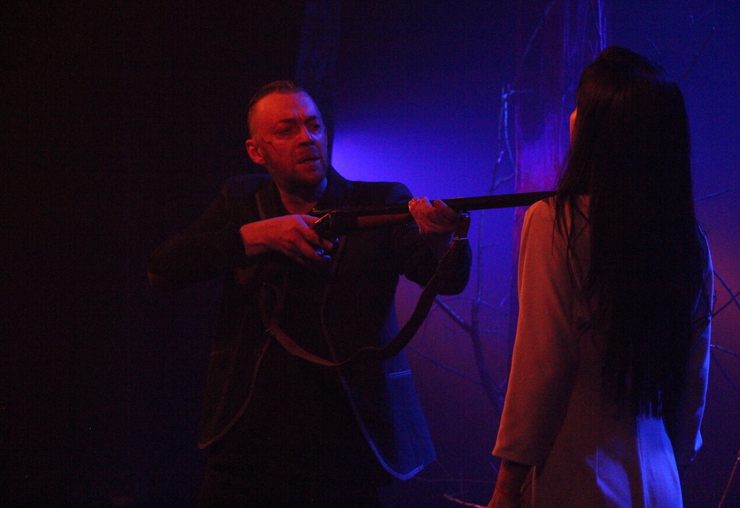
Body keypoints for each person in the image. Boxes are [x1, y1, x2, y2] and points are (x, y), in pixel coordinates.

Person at [148, 80, 471, 506]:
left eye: (314, 126)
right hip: (246, 443)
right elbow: (164, 268)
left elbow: (445, 279)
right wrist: (258, 235)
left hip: (345, 441)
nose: (306, 138)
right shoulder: (240, 201)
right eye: (287, 130)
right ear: (256, 151)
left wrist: (440, 240)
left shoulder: (379, 200)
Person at [487, 47, 713, 507]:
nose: (572, 117)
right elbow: (694, 372)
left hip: (579, 473)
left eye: (581, 106)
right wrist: (678, 457)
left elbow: (542, 364)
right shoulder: (686, 238)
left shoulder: (556, 223)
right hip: (661, 477)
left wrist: (507, 485)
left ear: (601, 130)